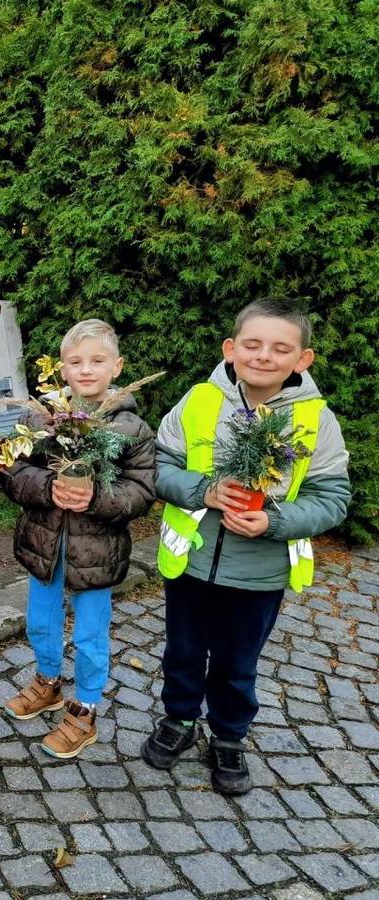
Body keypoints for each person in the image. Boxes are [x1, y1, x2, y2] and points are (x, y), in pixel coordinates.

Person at [143, 299, 349, 795]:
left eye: (281, 348)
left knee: (238, 662)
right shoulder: (199, 402)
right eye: (252, 345)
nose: (263, 356)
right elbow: (159, 466)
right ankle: (179, 719)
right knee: (184, 651)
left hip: (260, 572)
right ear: (231, 349)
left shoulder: (316, 421)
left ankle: (230, 736)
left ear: (303, 360)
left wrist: (274, 520)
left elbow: (333, 498)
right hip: (191, 560)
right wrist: (204, 492)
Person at [2, 319, 156, 759]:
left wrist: (94, 498)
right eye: (75, 361)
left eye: (97, 360)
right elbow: (12, 471)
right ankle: (48, 682)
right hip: (44, 545)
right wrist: (48, 488)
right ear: (61, 369)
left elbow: (142, 491)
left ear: (117, 366)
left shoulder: (132, 429)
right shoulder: (41, 418)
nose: (86, 370)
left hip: (97, 552)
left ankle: (84, 708)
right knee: (41, 622)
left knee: (90, 635)